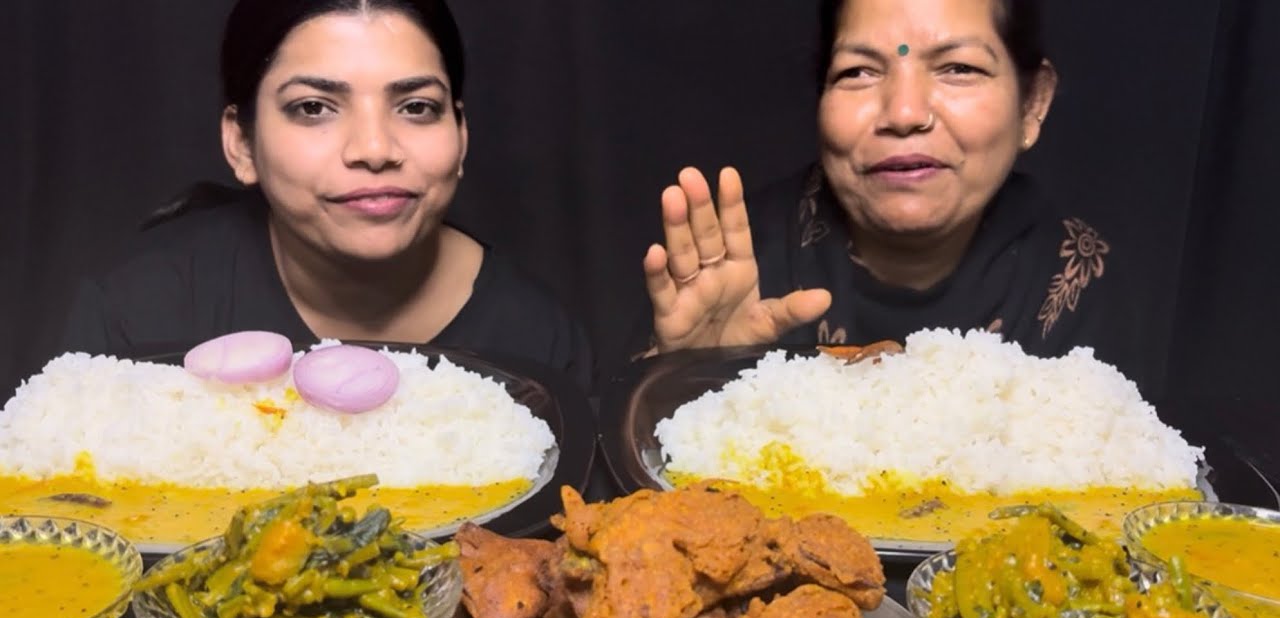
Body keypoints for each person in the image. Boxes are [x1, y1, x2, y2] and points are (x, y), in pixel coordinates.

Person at [58, 0, 592, 389]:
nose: (375, 148)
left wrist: (668, 376)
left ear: (461, 134)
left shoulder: (539, 340)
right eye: (314, 107)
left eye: (416, 107)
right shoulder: (132, 319)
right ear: (241, 143)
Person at [641, 0, 1149, 388]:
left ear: (1032, 103)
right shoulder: (730, 264)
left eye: (959, 68)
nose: (904, 113)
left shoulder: (1081, 282)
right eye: (858, 72)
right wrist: (680, 376)